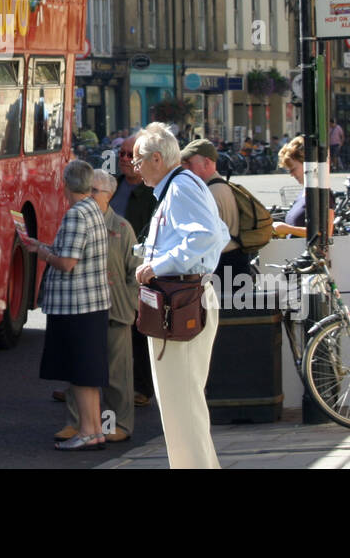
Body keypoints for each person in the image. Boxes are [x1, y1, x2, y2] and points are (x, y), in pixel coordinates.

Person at [131, 122, 227, 468]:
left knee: (181, 403)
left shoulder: (181, 187)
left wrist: (159, 265)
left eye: (139, 160)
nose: (134, 167)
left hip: (182, 298)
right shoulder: (181, 186)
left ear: (157, 158)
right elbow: (219, 231)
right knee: (181, 402)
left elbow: (205, 237)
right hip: (184, 295)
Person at [22, 159, 109, 449]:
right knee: (90, 372)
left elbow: (68, 263)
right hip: (93, 302)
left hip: (75, 305)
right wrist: (42, 247)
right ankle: (95, 430)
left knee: (80, 373)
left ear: (66, 185)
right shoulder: (94, 209)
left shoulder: (75, 214)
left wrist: (43, 255)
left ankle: (85, 431)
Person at [60, 170, 139, 443]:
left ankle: (118, 424)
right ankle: (77, 422)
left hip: (116, 310)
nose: (90, 195)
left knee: (117, 374)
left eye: (95, 191)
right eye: (88, 190)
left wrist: (129, 303)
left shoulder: (122, 228)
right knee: (81, 370)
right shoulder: (80, 221)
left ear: (109, 195)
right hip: (85, 306)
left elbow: (135, 272)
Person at [109, 134, 157, 406]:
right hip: (108, 267)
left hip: (135, 267)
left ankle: (142, 387)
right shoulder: (112, 186)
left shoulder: (152, 193)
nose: (125, 160)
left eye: (131, 155)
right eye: (122, 154)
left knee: (138, 329)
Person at [181, 138, 250, 279]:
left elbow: (206, 239)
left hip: (224, 266)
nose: (185, 168)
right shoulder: (219, 186)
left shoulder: (210, 192)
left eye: (189, 163)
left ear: (206, 162)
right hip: (233, 262)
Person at [272, 136, 335, 239]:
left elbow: (325, 233)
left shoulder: (321, 193)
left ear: (307, 164)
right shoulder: (304, 192)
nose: (291, 174)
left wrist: (287, 229)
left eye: (293, 169)